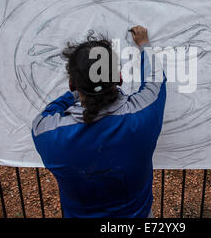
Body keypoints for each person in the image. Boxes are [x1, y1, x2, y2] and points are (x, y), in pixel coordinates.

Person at [32, 25, 167, 218]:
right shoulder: (142, 117)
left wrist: (76, 92)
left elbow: (49, 112)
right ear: (119, 78)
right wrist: (144, 45)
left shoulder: (47, 133)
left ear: (72, 84)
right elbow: (155, 80)